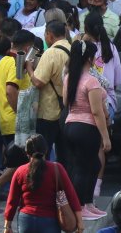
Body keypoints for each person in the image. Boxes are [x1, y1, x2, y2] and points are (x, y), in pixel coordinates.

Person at [63, 39, 111, 220]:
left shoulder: (69, 78)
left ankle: (87, 203)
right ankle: (80, 206)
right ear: (90, 59)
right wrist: (106, 137)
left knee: (88, 165)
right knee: (85, 168)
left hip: (70, 125)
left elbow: (65, 103)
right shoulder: (91, 81)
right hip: (86, 127)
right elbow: (97, 112)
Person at [3, 135, 82, 233]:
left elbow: (12, 201)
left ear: (27, 153)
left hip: (26, 220)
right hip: (49, 220)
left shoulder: (20, 171)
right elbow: (71, 195)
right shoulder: (57, 169)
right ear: (46, 150)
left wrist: (7, 226)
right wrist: (80, 223)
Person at [28, 20, 72, 165]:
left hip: (49, 112)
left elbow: (38, 82)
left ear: (50, 35)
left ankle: (45, 184)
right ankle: (64, 185)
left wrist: (29, 68)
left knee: (43, 154)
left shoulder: (51, 53)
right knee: (65, 154)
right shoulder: (73, 49)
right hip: (68, 110)